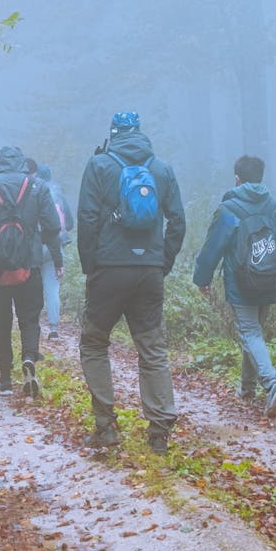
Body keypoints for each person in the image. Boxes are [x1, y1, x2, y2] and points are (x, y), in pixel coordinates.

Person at [76, 111, 186, 455]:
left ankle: (106, 426)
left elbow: (87, 219)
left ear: (112, 133)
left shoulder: (99, 166)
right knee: (152, 349)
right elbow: (178, 222)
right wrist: (161, 261)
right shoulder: (161, 169)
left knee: (94, 343)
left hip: (109, 268)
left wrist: (90, 267)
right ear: (139, 132)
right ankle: (158, 432)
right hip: (149, 270)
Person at [192, 154, 276, 418]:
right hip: (269, 279)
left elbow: (213, 248)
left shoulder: (229, 210)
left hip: (241, 283)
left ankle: (272, 386)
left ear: (237, 179)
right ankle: (247, 389)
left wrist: (202, 279)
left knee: (250, 332)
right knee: (253, 332)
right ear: (260, 178)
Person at [0, 146, 63, 397]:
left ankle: (6, 380)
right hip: (29, 263)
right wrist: (55, 255)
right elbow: (53, 226)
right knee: (29, 318)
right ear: (21, 163)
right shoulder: (37, 186)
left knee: (1, 320)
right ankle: (29, 359)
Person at [36, 164, 74, 343]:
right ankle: (53, 329)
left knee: (34, 287)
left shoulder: (33, 191)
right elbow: (71, 223)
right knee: (52, 289)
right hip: (55, 248)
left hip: (35, 246)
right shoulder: (58, 195)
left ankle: (32, 324)